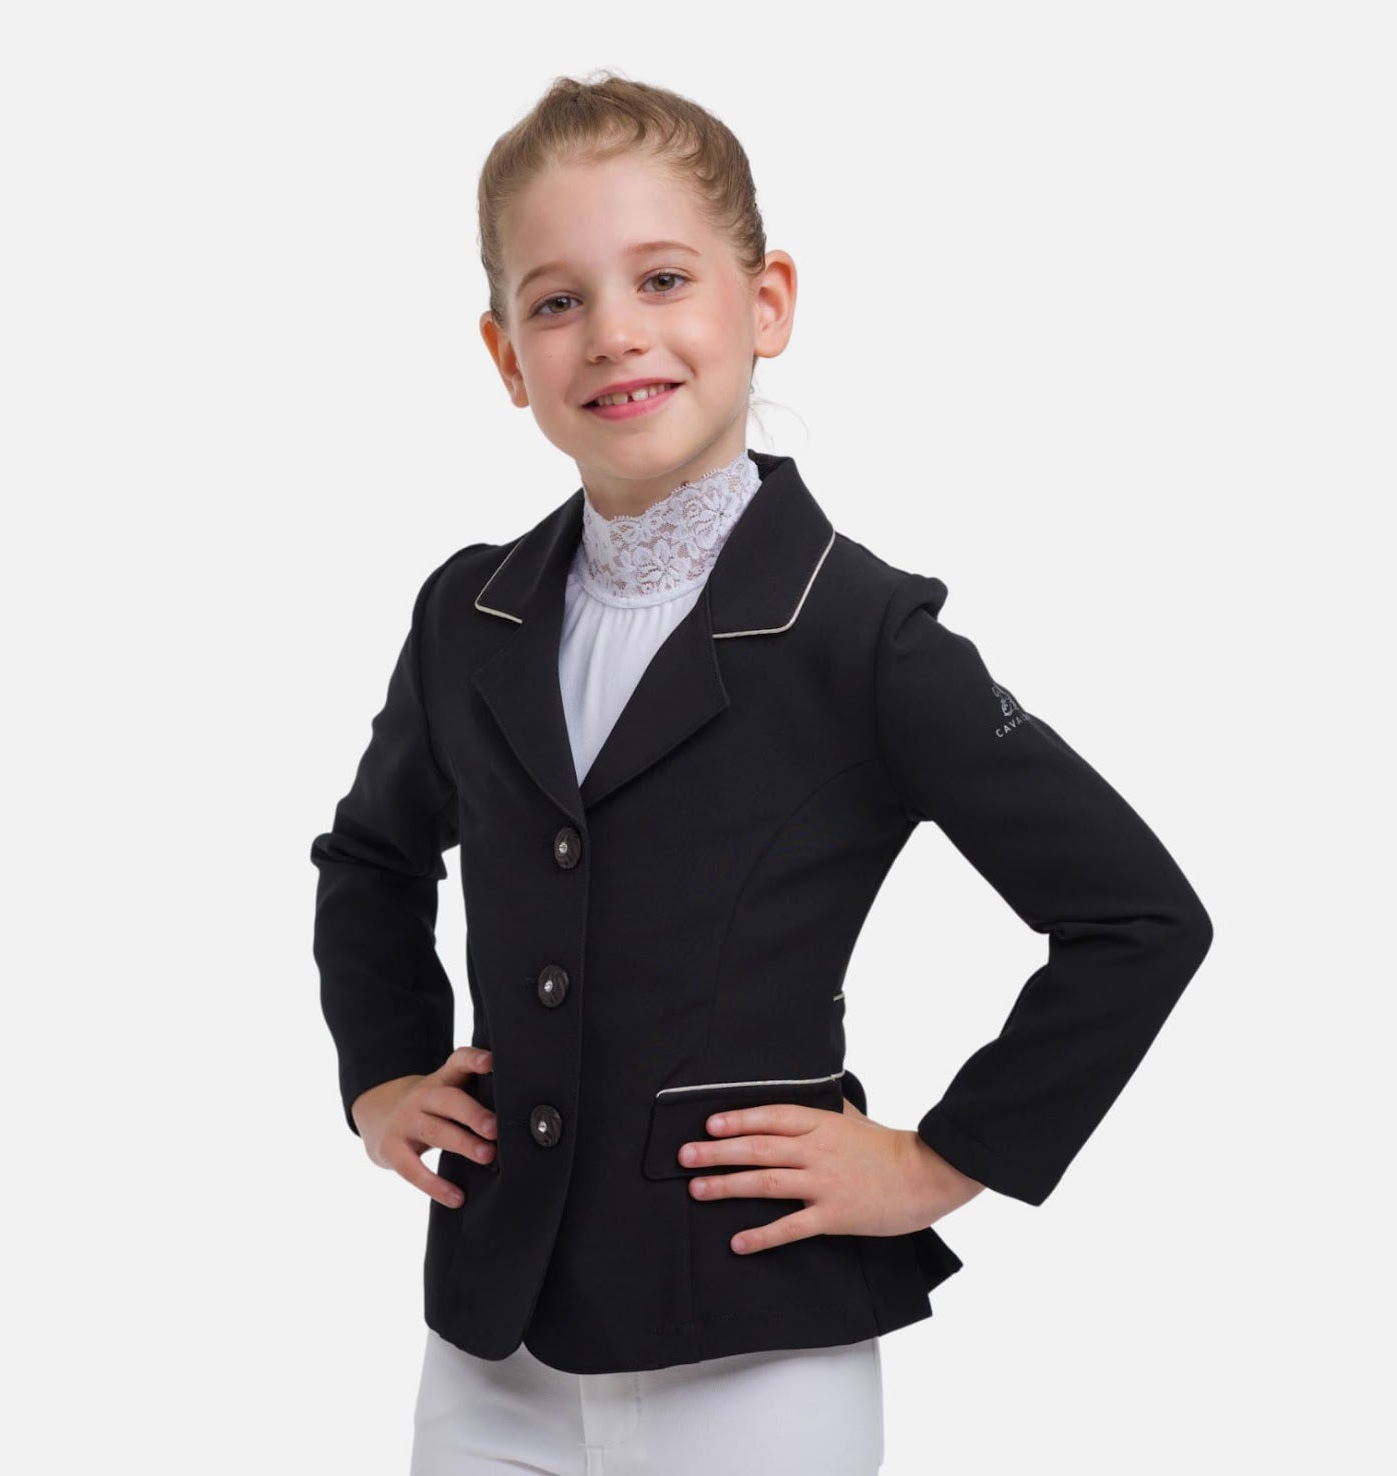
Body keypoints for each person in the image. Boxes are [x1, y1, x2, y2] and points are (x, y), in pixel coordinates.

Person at [308, 71, 1214, 1476]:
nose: (615, 332)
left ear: (767, 301)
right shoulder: (467, 614)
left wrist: (938, 1161)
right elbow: (372, 858)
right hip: (493, 1349)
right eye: (558, 301)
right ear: (506, 355)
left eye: (663, 279)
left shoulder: (863, 633)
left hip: (752, 1336)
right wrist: (382, 1074)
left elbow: (1139, 918)